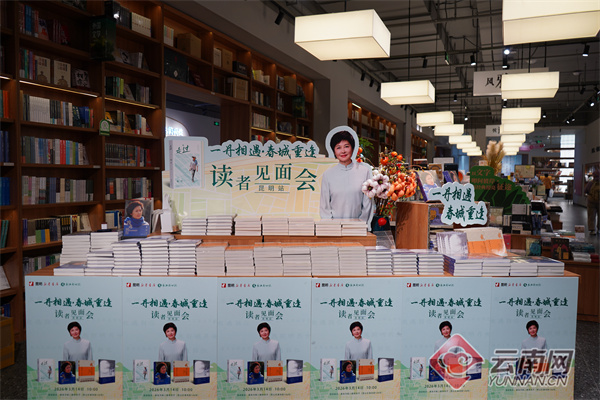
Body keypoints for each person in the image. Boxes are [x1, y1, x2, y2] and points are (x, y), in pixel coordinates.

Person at [320, 130, 374, 227]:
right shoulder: (328, 174)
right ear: (334, 151)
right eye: (338, 147)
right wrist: (331, 227)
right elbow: (325, 206)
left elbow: (367, 203)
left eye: (346, 146)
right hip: (335, 229)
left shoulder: (364, 172)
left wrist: (361, 224)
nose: (343, 151)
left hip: (358, 228)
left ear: (352, 148)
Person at [584, 169, 600, 235]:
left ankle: (592, 230)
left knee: (591, 216)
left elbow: (585, 191)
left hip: (591, 201)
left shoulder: (590, 183)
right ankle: (599, 229)